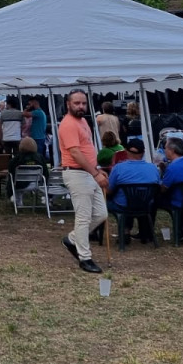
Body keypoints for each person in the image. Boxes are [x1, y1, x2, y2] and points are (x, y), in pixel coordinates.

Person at [59, 90, 108, 273]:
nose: (81, 107)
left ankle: (72, 239)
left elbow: (88, 148)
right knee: (83, 216)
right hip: (77, 174)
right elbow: (75, 153)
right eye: (77, 103)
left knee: (101, 214)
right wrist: (95, 174)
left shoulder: (83, 121)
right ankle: (84, 258)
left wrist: (96, 169)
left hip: (89, 172)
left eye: (83, 103)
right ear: (68, 104)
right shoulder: (68, 124)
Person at [107, 136, 161, 243]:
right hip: (145, 204)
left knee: (116, 200)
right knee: (130, 199)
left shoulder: (118, 168)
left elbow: (109, 190)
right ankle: (140, 232)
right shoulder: (153, 168)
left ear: (126, 151)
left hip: (123, 205)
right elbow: (159, 187)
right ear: (143, 152)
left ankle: (125, 231)